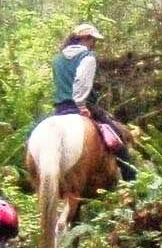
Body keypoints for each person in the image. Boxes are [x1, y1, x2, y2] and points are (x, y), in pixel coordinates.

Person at [52, 23, 136, 181]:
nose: (94, 43)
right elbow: (81, 82)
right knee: (119, 138)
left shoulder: (57, 59)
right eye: (92, 39)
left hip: (60, 108)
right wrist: (81, 106)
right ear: (84, 38)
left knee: (32, 132)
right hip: (81, 106)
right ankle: (130, 179)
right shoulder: (88, 57)